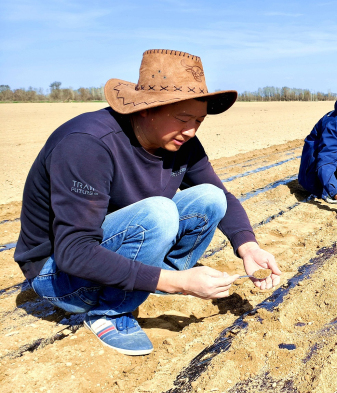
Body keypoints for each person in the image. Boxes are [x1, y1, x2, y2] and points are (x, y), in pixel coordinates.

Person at [14, 49, 282, 356]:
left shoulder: (183, 142)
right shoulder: (87, 144)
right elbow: (74, 251)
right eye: (183, 118)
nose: (192, 130)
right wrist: (178, 283)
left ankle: (146, 280)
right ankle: (110, 312)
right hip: (60, 275)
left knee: (211, 197)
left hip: (110, 246)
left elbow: (223, 197)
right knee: (160, 211)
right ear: (145, 109)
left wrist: (250, 248)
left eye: (199, 120)